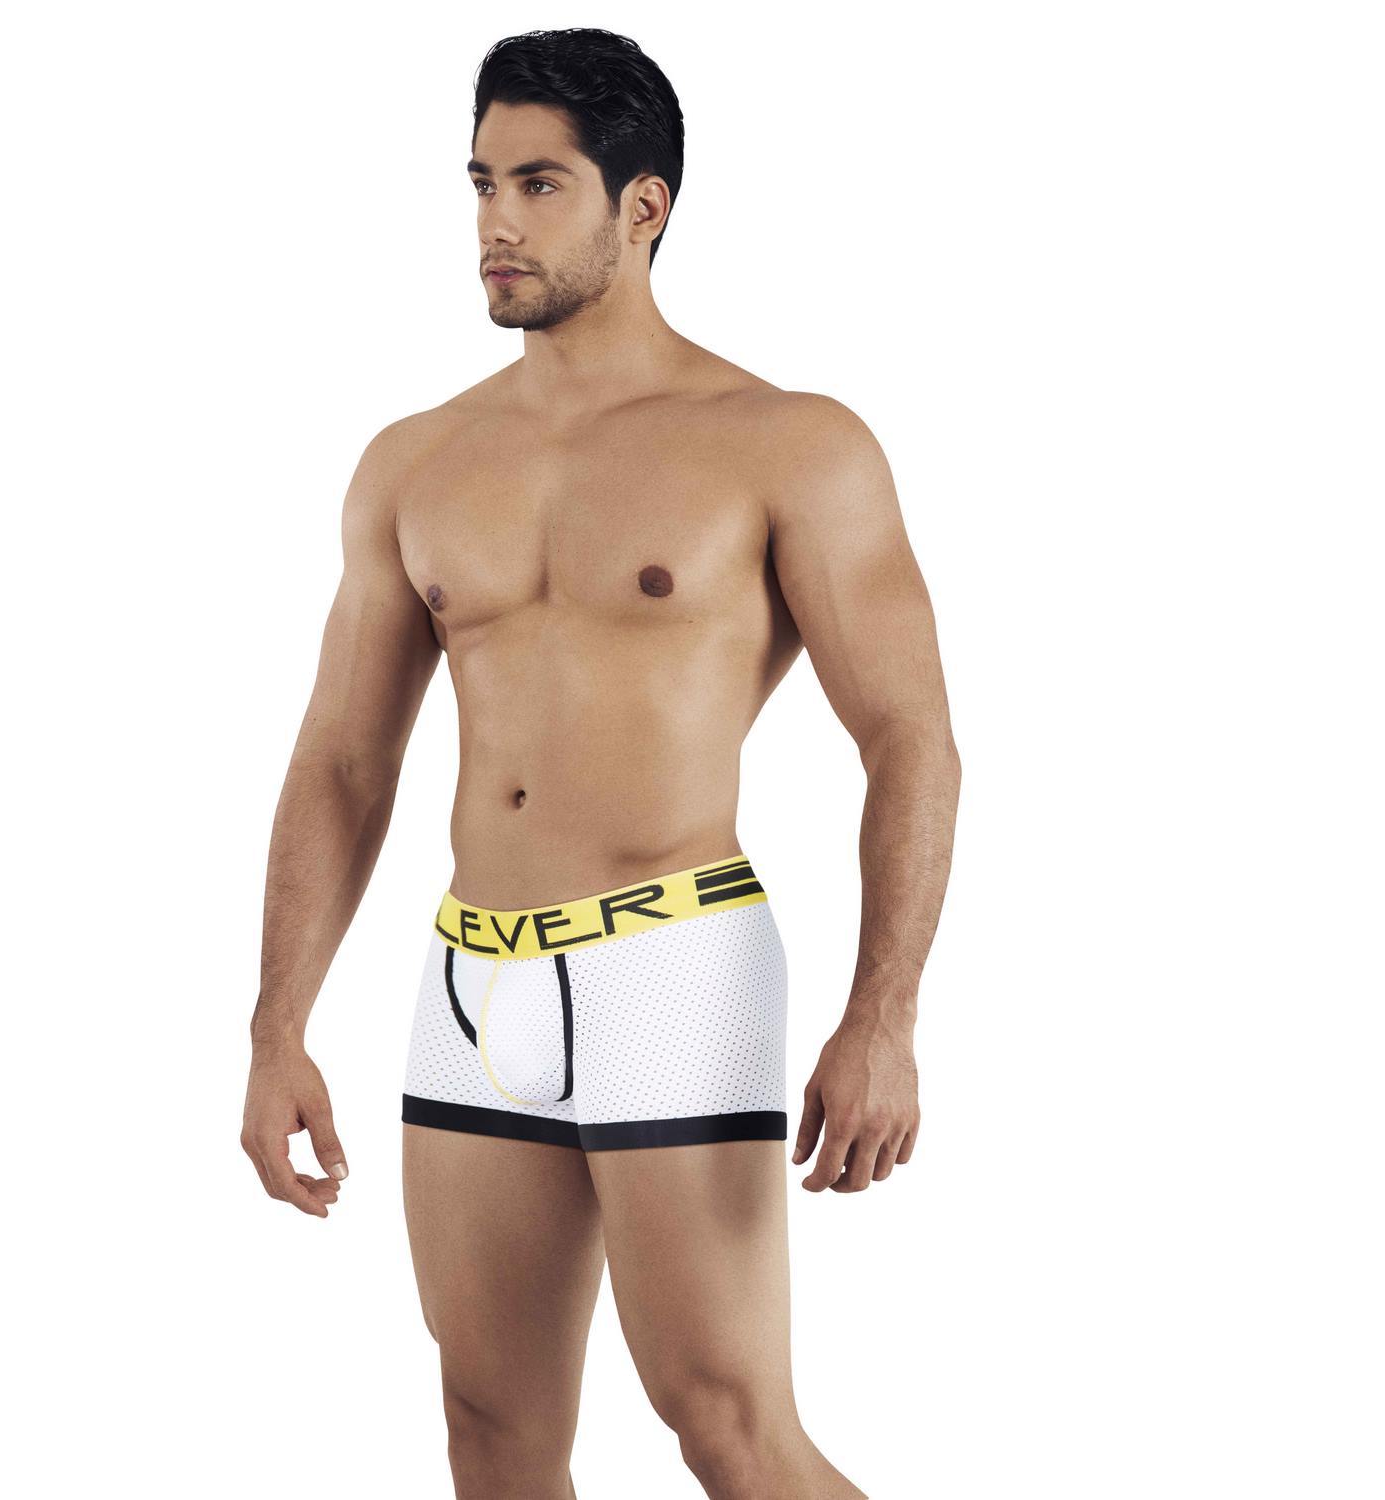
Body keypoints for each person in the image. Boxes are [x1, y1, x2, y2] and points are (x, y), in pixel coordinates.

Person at [241, 26, 960, 1500]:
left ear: (644, 207)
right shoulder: (415, 460)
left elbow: (910, 741)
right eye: (481, 183)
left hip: (672, 961)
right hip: (472, 977)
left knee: (726, 1422)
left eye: (540, 184)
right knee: (491, 1428)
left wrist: (883, 1013)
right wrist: (277, 1024)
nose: (497, 222)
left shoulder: (785, 442)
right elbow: (343, 760)